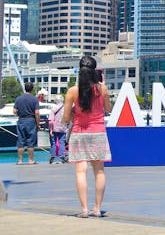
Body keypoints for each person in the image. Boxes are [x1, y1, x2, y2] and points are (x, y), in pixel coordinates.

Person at [63, 56, 112, 218]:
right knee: (99, 171)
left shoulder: (72, 91)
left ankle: (84, 209)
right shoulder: (102, 89)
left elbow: (65, 117)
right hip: (98, 132)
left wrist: (73, 117)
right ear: (94, 71)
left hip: (79, 133)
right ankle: (97, 208)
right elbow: (108, 109)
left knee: (80, 171)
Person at [13, 81, 40, 165]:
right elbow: (37, 112)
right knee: (30, 141)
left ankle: (20, 160)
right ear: (32, 89)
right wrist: (38, 124)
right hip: (31, 121)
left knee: (20, 140)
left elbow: (14, 111)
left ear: (25, 88)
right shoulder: (34, 99)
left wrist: (19, 114)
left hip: (21, 120)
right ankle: (30, 160)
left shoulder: (18, 99)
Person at [49, 95, 69, 164]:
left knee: (53, 143)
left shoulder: (53, 108)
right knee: (62, 143)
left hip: (54, 128)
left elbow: (51, 121)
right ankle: (62, 157)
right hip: (63, 128)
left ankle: (52, 157)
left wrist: (51, 130)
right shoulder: (65, 108)